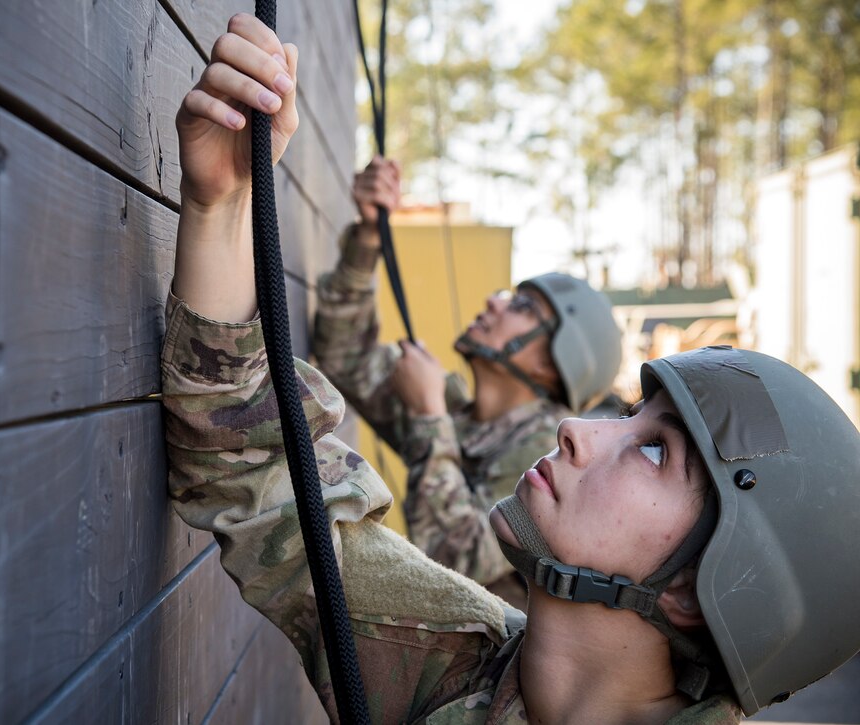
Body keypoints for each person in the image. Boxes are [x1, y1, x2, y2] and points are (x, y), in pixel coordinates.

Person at [166, 14, 860, 723]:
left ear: (693, 587)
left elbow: (459, 552)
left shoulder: (494, 472)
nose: (575, 433)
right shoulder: (460, 661)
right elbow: (254, 460)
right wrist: (221, 204)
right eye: (628, 418)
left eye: (656, 451)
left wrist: (432, 421)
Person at [313, 158, 622, 605]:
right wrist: (368, 237)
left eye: (523, 309)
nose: (494, 304)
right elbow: (346, 355)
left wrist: (427, 415)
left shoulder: (554, 458)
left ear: (552, 367)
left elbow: (455, 561)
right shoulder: (461, 411)